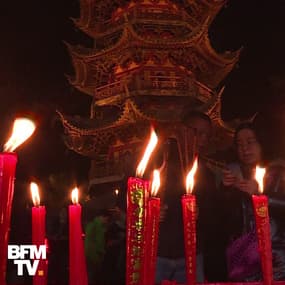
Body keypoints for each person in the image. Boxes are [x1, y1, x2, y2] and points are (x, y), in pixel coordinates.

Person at [156, 111, 224, 283]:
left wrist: (200, 213)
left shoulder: (206, 174)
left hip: (191, 256)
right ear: (181, 131)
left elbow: (214, 216)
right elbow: (127, 202)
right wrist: (149, 212)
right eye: (197, 132)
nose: (202, 140)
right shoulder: (158, 164)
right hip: (156, 252)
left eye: (206, 136)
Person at [221, 122, 285, 281]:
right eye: (239, 144)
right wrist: (226, 190)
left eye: (250, 142)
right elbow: (224, 219)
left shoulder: (279, 172)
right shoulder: (232, 172)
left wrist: (260, 197)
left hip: (275, 252)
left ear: (262, 142)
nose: (244, 148)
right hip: (243, 255)